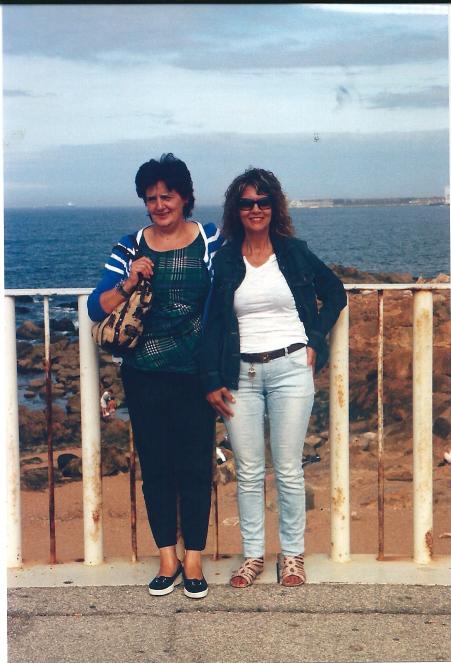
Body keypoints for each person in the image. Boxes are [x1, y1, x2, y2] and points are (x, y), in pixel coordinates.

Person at [200, 167, 347, 588]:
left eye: (263, 201)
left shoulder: (294, 252)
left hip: (291, 369)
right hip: (240, 374)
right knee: (248, 471)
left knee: (288, 469)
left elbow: (334, 292)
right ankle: (253, 556)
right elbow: (213, 323)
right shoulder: (225, 260)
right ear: (236, 209)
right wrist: (211, 378)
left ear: (274, 206)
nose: (256, 209)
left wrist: (314, 339)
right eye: (247, 202)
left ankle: (292, 556)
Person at [88, 153, 222, 599]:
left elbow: (232, 290)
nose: (160, 205)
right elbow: (95, 307)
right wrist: (128, 281)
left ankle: (194, 559)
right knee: (157, 467)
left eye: (168, 196)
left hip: (196, 374)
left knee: (196, 466)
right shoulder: (130, 246)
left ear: (185, 197)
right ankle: (168, 557)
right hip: (144, 375)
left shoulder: (209, 240)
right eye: (151, 198)